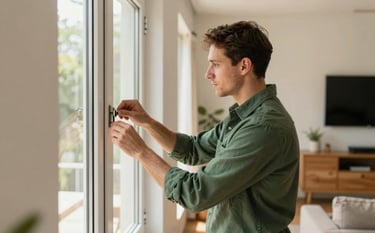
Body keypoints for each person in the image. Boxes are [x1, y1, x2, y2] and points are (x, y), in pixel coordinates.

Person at [111, 21, 300, 233]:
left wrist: (141, 152)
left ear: (244, 66)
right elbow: (193, 149)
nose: (208, 74)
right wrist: (147, 122)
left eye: (216, 64)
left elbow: (195, 194)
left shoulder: (263, 127)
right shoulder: (245, 115)